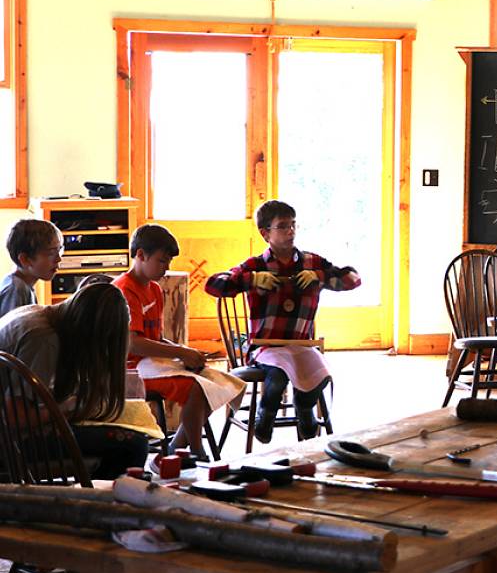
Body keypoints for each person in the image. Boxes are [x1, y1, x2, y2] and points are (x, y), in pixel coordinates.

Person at [205, 199, 361, 443]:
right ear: (265, 233)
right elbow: (213, 284)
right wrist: (252, 280)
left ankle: (305, 408)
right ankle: (265, 414)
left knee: (321, 374)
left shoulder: (311, 262)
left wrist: (320, 276)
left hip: (301, 345)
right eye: (283, 226)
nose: (291, 231)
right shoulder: (254, 265)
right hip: (266, 347)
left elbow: (353, 279)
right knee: (276, 378)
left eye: (293, 225)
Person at [0, 283, 148, 478]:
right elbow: (15, 417)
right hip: (10, 446)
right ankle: (95, 503)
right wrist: (68, 406)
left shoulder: (40, 315)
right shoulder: (45, 340)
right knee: (133, 445)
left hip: (10, 437)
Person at [113, 224, 215, 459]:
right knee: (196, 388)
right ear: (140, 255)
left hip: (150, 362)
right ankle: (195, 451)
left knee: (213, 383)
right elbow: (134, 344)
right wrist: (181, 352)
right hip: (128, 369)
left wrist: (185, 353)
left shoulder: (156, 290)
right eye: (161, 261)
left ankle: (177, 447)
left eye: (168, 262)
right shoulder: (124, 290)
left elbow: (155, 338)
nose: (166, 267)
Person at [0, 219, 63, 317]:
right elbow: (14, 331)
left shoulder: (22, 285)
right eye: (51, 253)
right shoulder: (17, 290)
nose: (59, 259)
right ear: (25, 259)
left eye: (59, 250)